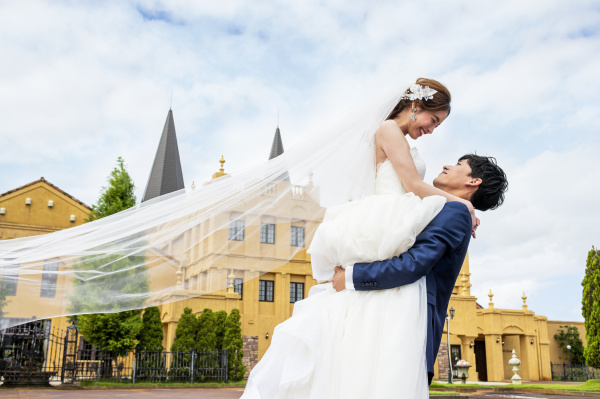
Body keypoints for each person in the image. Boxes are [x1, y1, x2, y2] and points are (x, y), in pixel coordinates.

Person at [241, 79, 507, 398]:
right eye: (434, 121)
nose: (447, 164)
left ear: (473, 181)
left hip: (404, 318)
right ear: (414, 106)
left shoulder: (454, 212)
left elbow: (413, 264)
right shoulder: (432, 203)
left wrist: (350, 276)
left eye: (459, 166)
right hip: (385, 302)